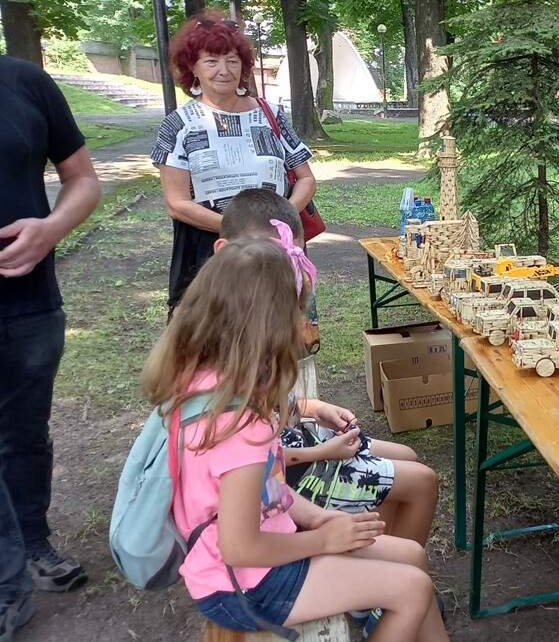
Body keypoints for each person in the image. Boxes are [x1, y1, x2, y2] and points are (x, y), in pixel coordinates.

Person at [141, 238, 447, 641]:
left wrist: (317, 517)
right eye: (297, 316)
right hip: (243, 584)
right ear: (270, 329)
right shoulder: (240, 427)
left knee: (412, 556)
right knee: (412, 589)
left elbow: (271, 491)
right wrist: (322, 539)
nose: (303, 327)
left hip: (253, 558)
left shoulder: (208, 385)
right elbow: (240, 548)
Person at [218, 188, 440, 546]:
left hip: (296, 443)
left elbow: (269, 409)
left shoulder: (252, 327)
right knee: (422, 481)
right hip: (290, 473)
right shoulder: (233, 350)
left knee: (407, 456)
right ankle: (389, 571)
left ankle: (377, 560)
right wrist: (323, 452)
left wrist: (315, 408)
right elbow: (251, 456)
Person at [0, 54, 102, 639]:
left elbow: (83, 180)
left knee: (24, 433)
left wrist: (51, 229)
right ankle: (7, 585)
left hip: (28, 301)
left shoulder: (26, 83)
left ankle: (33, 543)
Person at [150, 9, 316, 319]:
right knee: (220, 345)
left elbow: (306, 178)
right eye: (211, 61)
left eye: (232, 60)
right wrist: (244, 232)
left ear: (243, 67)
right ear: (193, 68)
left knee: (284, 339)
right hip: (213, 253)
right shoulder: (179, 125)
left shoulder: (271, 114)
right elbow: (176, 203)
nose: (223, 70)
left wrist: (279, 223)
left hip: (278, 251)